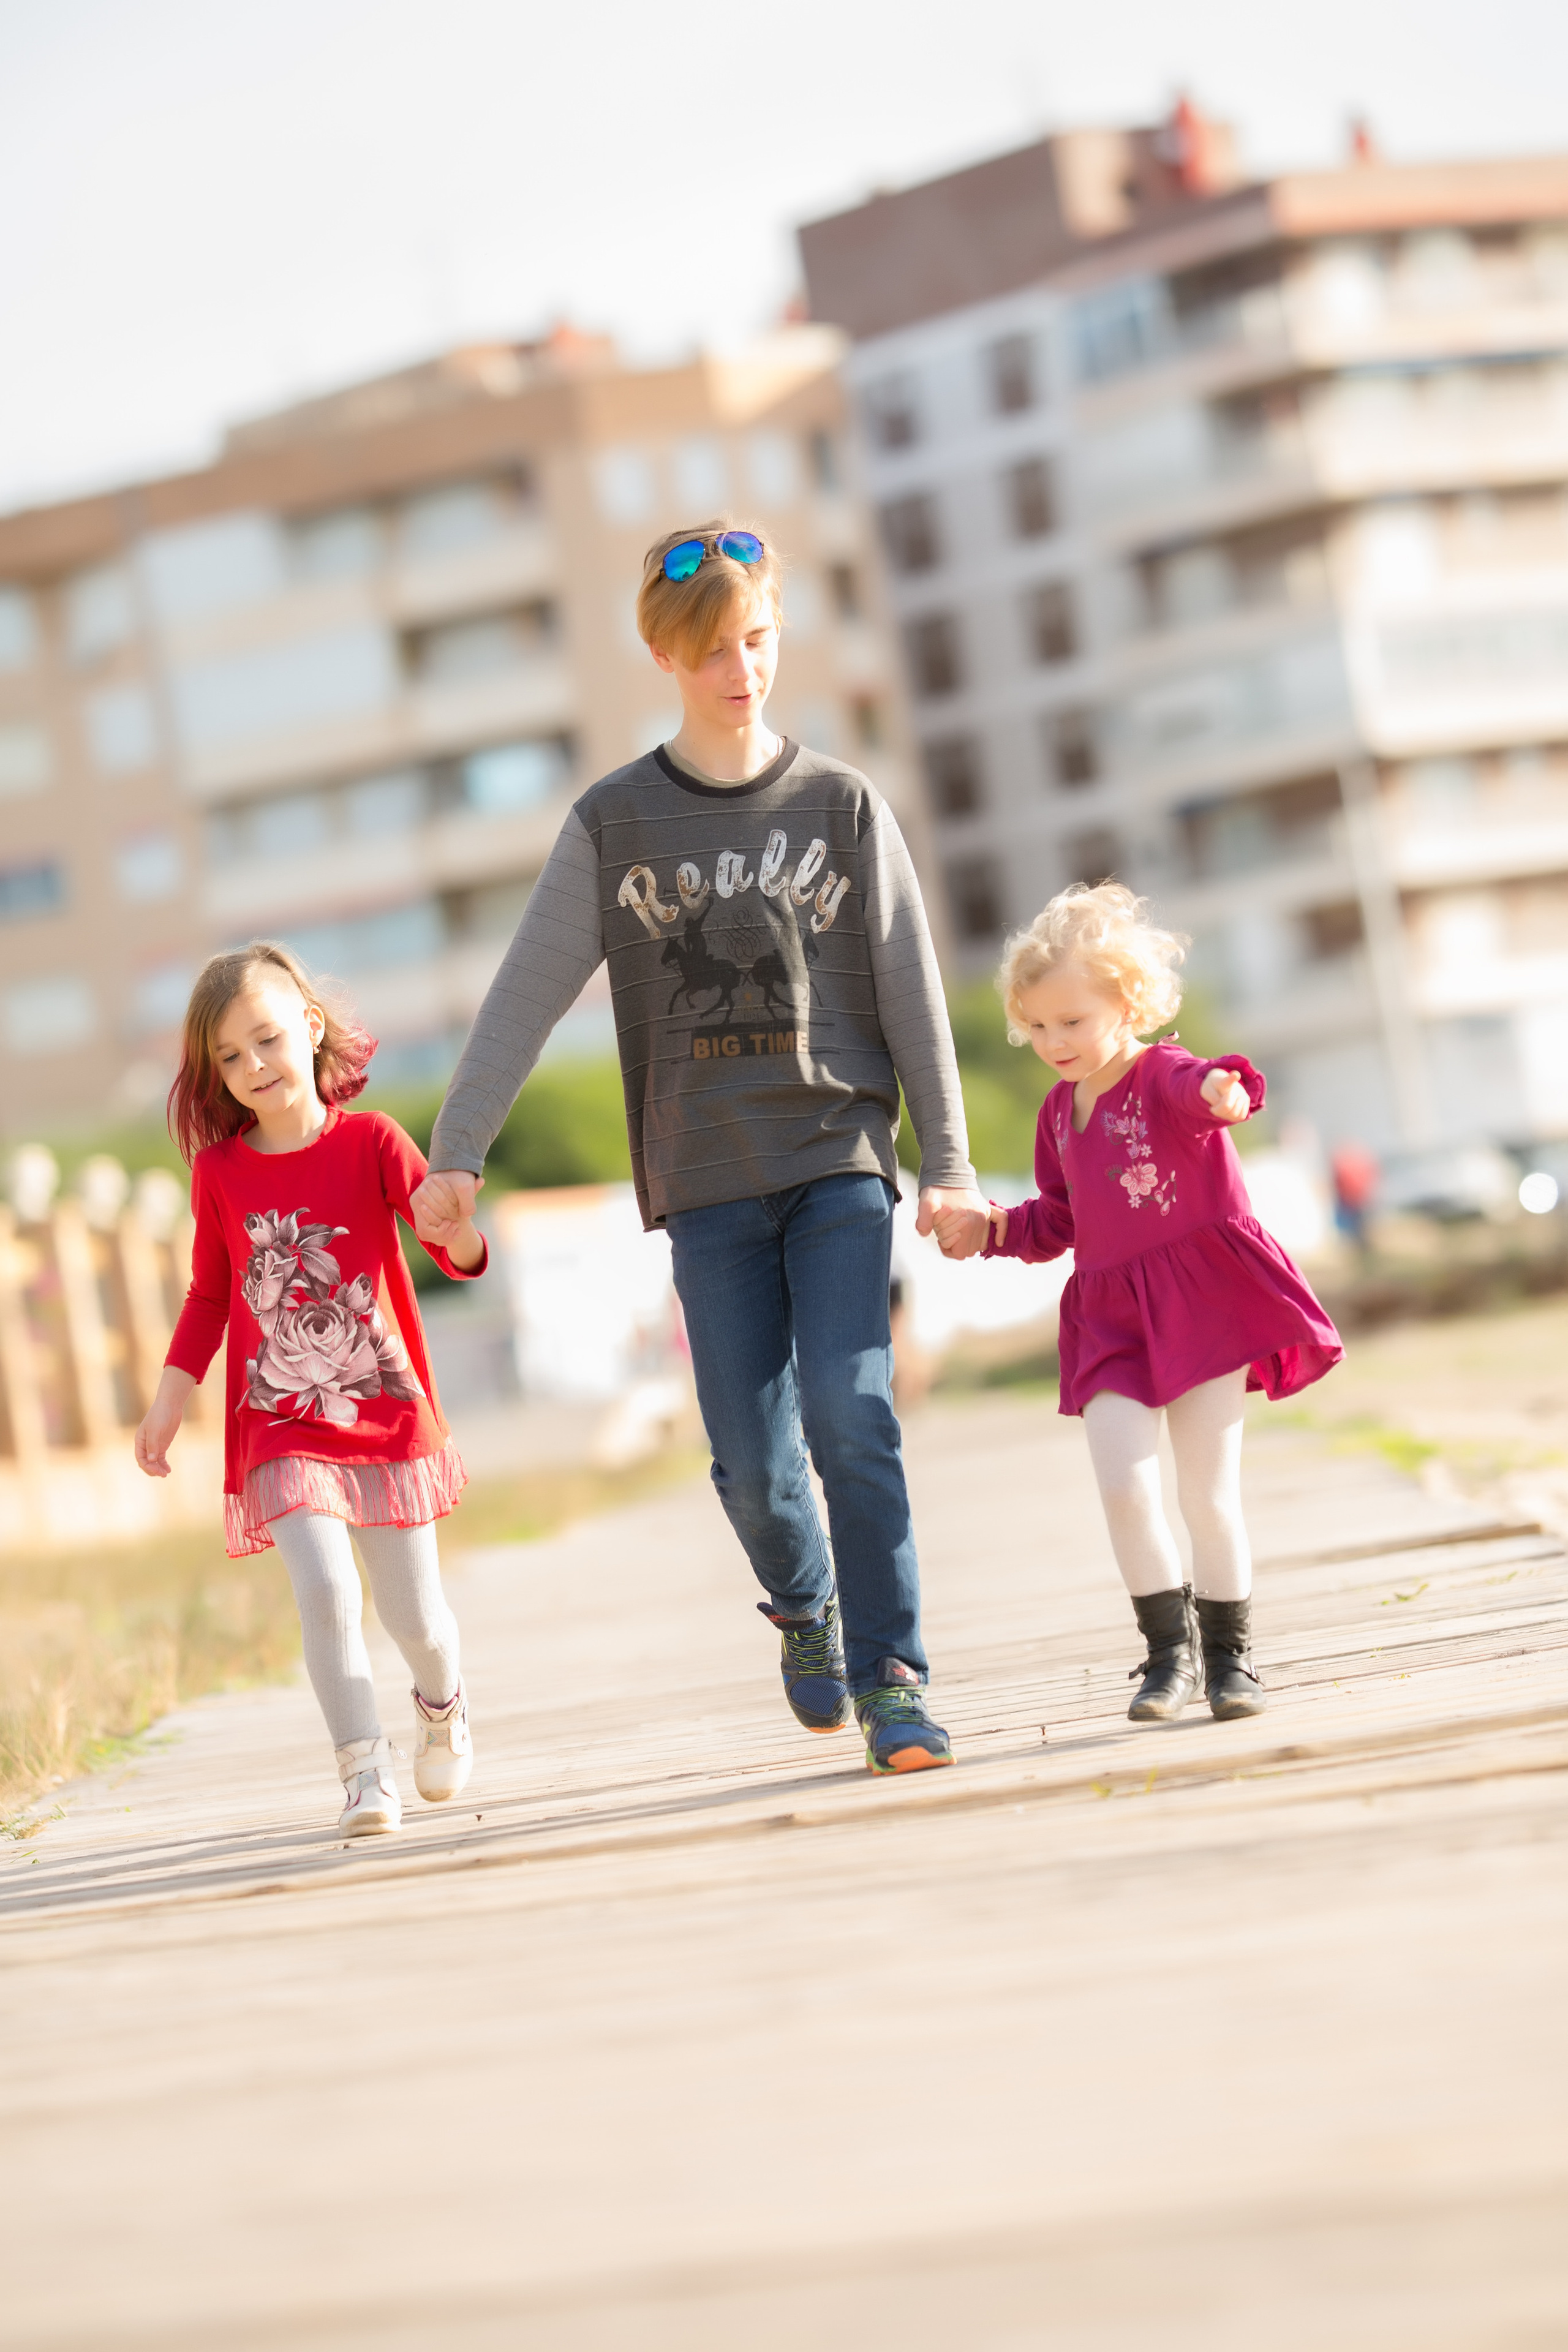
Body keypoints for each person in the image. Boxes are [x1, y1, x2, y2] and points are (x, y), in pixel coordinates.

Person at [412, 520, 988, 1773]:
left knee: (855, 1412)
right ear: (666, 656)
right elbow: (522, 993)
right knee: (749, 1466)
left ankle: (894, 1681)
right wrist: (456, 1150)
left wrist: (945, 1161)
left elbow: (911, 989)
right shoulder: (614, 823)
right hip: (708, 1182)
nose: (744, 668)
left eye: (760, 639)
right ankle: (806, 1608)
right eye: (717, 648)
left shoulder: (842, 804)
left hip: (836, 1154)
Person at [933, 884, 1343, 1722]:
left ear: (1128, 1003)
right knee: (1125, 1487)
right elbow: (1059, 1219)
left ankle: (1231, 1659)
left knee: (1207, 1493)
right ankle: (1168, 1657)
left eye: (1073, 1022)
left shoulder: (1163, 1076)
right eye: (1039, 1026)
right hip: (1113, 1317)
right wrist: (991, 1228)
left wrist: (1230, 1093)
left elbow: (1209, 1087)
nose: (1054, 1042)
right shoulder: (1058, 1113)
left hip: (1202, 1306)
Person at [134, 941, 485, 1836]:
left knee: (418, 1619)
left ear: (311, 1026)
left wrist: (468, 1240)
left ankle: (442, 1706)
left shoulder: (371, 1141)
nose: (253, 1067)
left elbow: (444, 1241)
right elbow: (211, 1292)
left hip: (386, 1413)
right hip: (280, 1421)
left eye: (266, 1040)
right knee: (327, 1594)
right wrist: (171, 1399)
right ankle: (365, 1773)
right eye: (229, 1056)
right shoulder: (219, 1172)